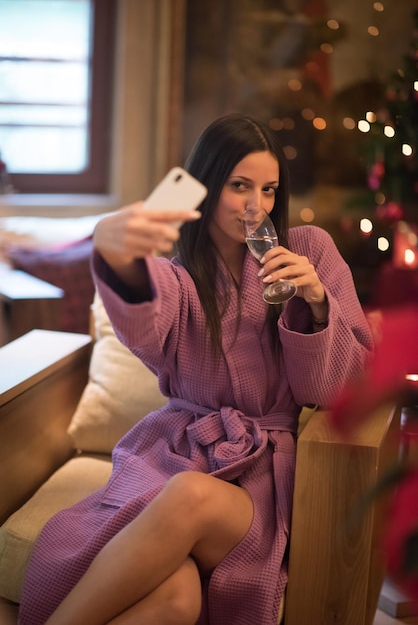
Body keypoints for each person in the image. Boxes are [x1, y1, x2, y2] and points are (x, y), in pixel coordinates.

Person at [18, 113, 374, 625]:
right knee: (177, 599)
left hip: (267, 483)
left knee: (187, 498)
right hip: (181, 454)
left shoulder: (310, 249)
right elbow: (145, 316)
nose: (257, 206)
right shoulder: (181, 278)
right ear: (205, 186)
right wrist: (117, 255)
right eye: (239, 186)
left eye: (269, 189)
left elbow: (342, 386)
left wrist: (318, 302)